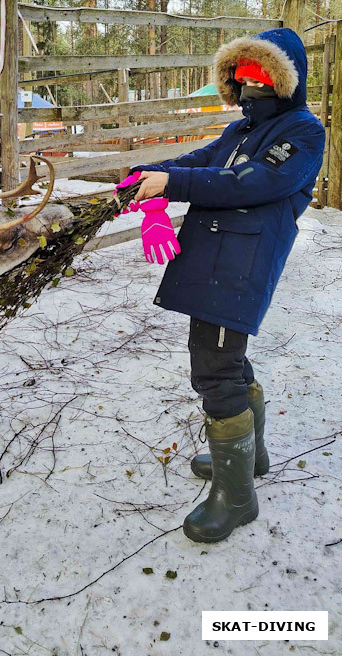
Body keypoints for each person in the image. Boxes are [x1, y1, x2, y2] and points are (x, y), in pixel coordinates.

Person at [126, 27, 325, 543]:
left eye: (261, 73)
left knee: (215, 370)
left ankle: (236, 499)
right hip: (213, 255)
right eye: (242, 74)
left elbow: (255, 181)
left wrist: (174, 184)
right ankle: (248, 456)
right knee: (227, 358)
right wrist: (152, 172)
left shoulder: (302, 132)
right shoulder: (240, 132)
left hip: (243, 262)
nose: (249, 83)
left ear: (286, 79)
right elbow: (202, 163)